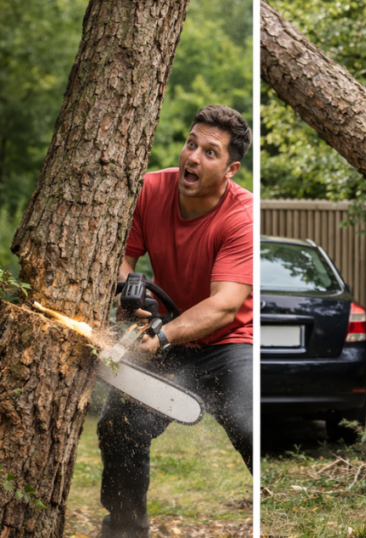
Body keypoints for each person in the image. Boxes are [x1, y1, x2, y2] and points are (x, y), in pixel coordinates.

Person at [97, 105, 253, 538]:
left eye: (209, 152)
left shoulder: (242, 216)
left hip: (230, 343)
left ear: (230, 168)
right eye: (191, 144)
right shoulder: (150, 190)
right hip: (168, 338)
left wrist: (163, 334)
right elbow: (120, 259)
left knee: (252, 428)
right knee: (119, 424)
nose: (193, 158)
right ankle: (125, 528)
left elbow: (224, 304)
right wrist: (131, 291)